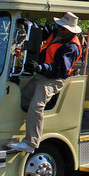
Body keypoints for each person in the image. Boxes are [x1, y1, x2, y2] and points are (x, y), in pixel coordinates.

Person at [9, 12, 82, 153]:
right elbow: (40, 32)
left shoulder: (71, 47)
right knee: (21, 97)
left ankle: (31, 143)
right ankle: (16, 131)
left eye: (62, 28)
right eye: (59, 26)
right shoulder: (56, 30)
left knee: (37, 105)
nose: (59, 29)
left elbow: (60, 70)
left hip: (55, 79)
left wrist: (40, 67)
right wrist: (29, 24)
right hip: (42, 73)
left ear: (69, 31)